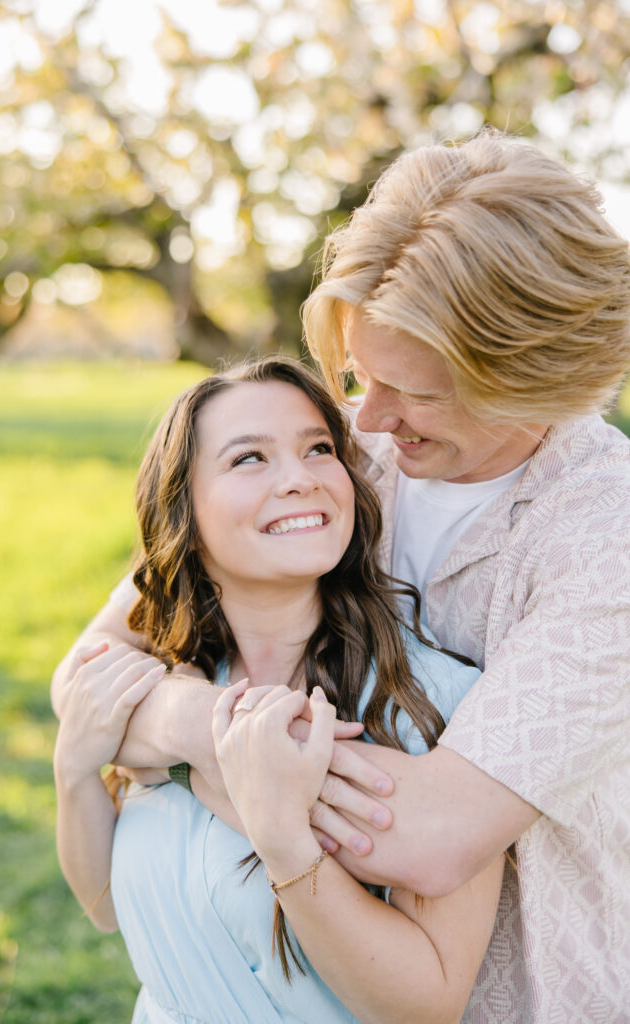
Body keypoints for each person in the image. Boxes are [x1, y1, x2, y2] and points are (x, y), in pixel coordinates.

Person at [52, 130, 630, 1024]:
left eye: (415, 391)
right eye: (358, 374)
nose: (365, 417)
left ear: (534, 379)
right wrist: (217, 728)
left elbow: (430, 837)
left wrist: (162, 737)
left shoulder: (605, 537)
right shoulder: (341, 459)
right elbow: (88, 672)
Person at [53, 357, 502, 1024]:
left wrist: (284, 842)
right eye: (249, 459)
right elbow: (107, 907)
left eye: (318, 449)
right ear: (186, 510)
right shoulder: (169, 681)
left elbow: (426, 1005)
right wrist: (74, 772)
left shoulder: (430, 705)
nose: (299, 480)